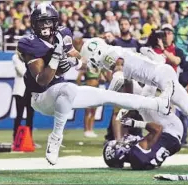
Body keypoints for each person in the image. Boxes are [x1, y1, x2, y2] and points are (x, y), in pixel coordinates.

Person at [17, 3, 172, 165]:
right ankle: (55, 139)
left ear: (55, 21)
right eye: (41, 22)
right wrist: (55, 59)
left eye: (48, 21)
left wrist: (73, 62)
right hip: (41, 98)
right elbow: (42, 80)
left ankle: (157, 103)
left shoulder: (63, 34)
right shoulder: (29, 43)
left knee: (110, 96)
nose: (45, 26)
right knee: (69, 88)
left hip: (62, 96)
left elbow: (79, 59)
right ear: (34, 24)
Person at [80, 38, 188, 127]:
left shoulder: (111, 55)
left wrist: (105, 96)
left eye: (90, 59)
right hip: (157, 77)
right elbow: (127, 83)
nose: (92, 64)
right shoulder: (113, 52)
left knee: (187, 108)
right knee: (185, 105)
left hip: (160, 77)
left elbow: (118, 76)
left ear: (96, 52)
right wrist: (126, 104)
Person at [103, 63, 188, 170]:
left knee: (182, 103)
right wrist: (135, 123)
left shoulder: (136, 161)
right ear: (120, 152)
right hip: (169, 131)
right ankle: (154, 69)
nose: (122, 140)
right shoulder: (136, 153)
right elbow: (157, 129)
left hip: (172, 139)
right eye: (118, 144)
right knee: (144, 104)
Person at [76, 66, 106, 138]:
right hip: (88, 92)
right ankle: (86, 130)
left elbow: (103, 80)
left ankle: (91, 130)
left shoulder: (99, 69)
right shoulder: (87, 69)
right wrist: (82, 87)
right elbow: (78, 79)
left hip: (96, 91)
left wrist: (102, 76)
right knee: (87, 112)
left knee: (93, 112)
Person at [12, 54, 34, 141]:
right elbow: (22, 72)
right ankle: (16, 139)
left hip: (30, 90)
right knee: (19, 115)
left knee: (30, 116)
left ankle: (29, 139)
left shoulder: (31, 57)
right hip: (20, 91)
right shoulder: (15, 57)